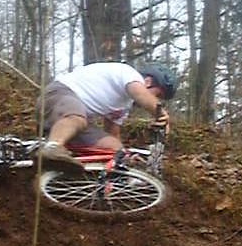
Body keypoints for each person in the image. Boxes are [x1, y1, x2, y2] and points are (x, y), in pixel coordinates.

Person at [37, 61, 176, 172]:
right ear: (148, 82)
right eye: (158, 95)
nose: (157, 100)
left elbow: (113, 132)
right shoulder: (129, 74)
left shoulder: (124, 105)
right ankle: (53, 147)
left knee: (113, 148)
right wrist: (161, 115)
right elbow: (140, 94)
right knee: (77, 118)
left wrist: (124, 158)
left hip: (74, 121)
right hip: (58, 95)